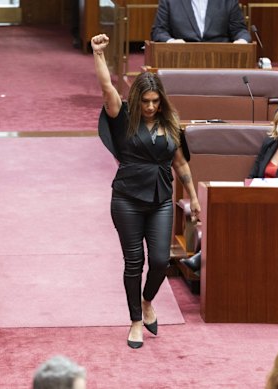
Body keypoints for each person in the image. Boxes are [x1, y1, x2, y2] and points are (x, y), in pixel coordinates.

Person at [92, 34, 201, 349]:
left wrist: (193, 198)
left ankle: (147, 299)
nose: (151, 107)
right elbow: (105, 87)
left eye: (156, 101)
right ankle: (136, 320)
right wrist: (98, 54)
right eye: (146, 101)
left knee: (160, 260)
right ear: (137, 98)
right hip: (126, 197)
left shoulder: (171, 124)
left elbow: (180, 164)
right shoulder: (122, 116)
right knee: (134, 261)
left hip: (161, 199)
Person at [181, 103, 278, 272]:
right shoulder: (269, 144)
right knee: (227, 212)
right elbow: (253, 175)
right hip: (256, 200)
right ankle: (210, 263)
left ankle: (204, 259)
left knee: (240, 221)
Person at [151, 0, 251, 44]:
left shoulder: (227, 1)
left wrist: (241, 41)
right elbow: (159, 31)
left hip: (220, 59)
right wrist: (171, 42)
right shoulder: (170, 1)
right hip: (182, 58)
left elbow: (239, 30)